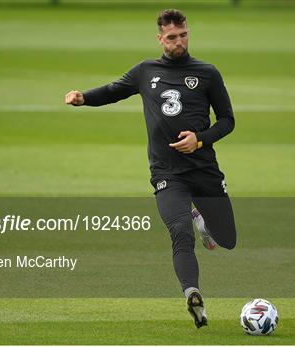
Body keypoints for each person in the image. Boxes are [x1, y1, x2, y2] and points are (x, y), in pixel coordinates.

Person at [65, 9, 237, 329]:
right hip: (166, 173)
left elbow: (228, 120)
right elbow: (114, 90)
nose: (179, 42)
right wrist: (83, 98)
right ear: (160, 38)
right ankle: (193, 295)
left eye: (183, 35)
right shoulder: (146, 71)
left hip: (204, 169)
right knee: (179, 232)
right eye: (172, 37)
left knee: (227, 239)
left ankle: (202, 220)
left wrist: (199, 140)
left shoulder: (207, 73)